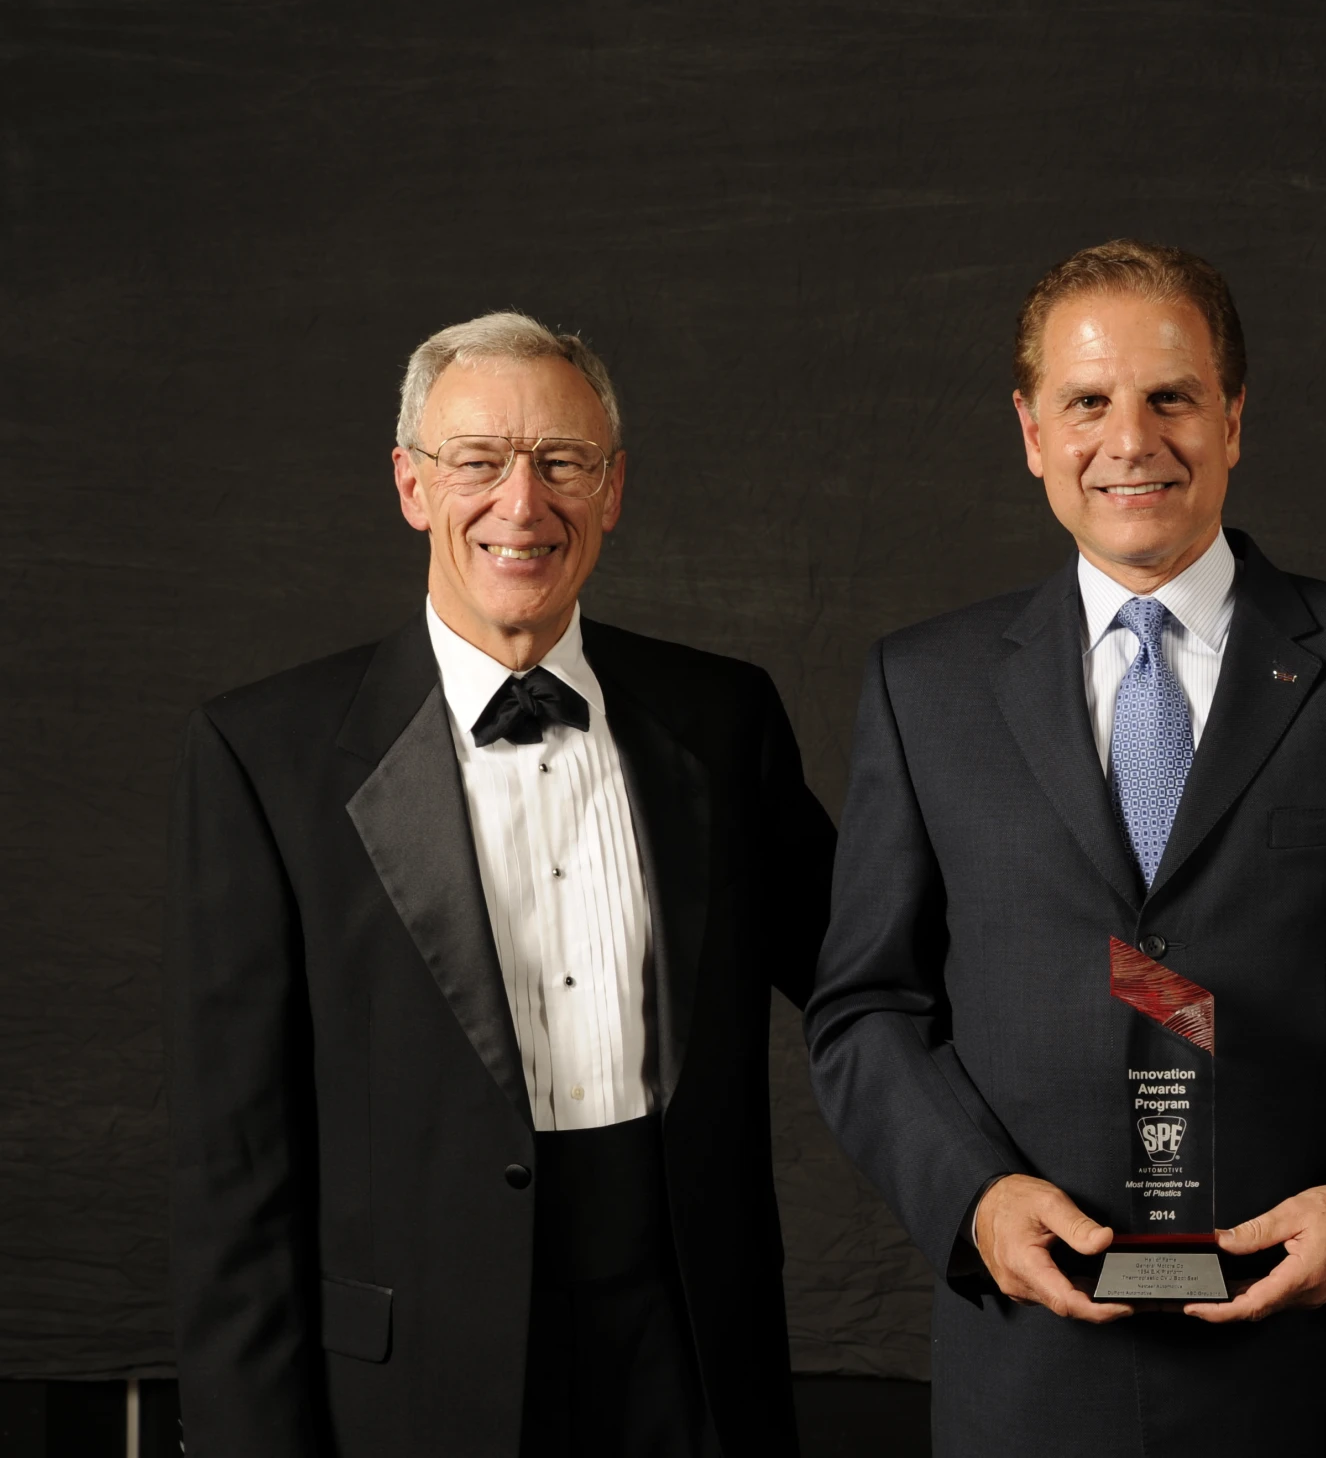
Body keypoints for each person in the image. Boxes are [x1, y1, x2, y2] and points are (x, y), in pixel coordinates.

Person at [804, 240, 1326, 1455]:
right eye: (1088, 401)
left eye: (1171, 397)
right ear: (1031, 432)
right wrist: (973, 1201)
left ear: (1233, 420)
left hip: (1306, 1367)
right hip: (1032, 1373)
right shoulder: (924, 686)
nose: (1131, 440)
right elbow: (866, 1002)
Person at [166, 312, 836, 1457]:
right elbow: (236, 1166)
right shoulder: (263, 754)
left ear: (613, 488)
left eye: (562, 462)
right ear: (411, 486)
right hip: (409, 1384)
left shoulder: (724, 720)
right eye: (476, 462)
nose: (522, 505)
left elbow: (864, 978)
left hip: (688, 1361)